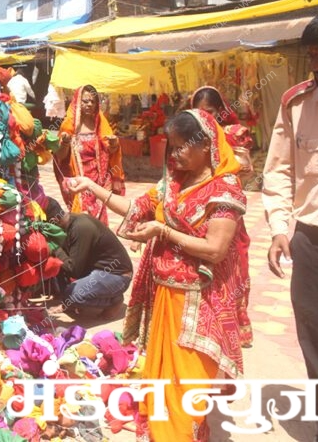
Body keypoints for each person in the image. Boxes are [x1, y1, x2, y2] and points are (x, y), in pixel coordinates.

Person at [68, 109, 247, 441]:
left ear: (205, 144)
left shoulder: (225, 189)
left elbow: (215, 249)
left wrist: (163, 232)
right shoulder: (173, 184)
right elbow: (135, 207)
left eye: (182, 147)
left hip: (198, 304)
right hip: (165, 296)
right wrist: (90, 185)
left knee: (187, 391)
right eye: (172, 147)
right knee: (163, 381)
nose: (175, 155)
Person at [263, 9, 318, 442]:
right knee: (317, 340)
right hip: (312, 241)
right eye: (314, 57)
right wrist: (279, 228)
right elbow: (279, 171)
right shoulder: (296, 102)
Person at [192, 85, 254, 348]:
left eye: (209, 112)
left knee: (233, 265)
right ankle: (207, 321)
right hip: (196, 211)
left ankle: (235, 325)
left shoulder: (234, 134)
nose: (204, 117)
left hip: (225, 210)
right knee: (201, 264)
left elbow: (247, 171)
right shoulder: (189, 136)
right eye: (197, 112)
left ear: (219, 112)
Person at [53, 85, 124, 225]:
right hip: (77, 180)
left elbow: (109, 150)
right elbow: (60, 157)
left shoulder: (100, 124)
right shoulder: (69, 126)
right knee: (82, 218)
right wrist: (66, 143)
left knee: (99, 219)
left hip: (98, 180)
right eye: (85, 101)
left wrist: (115, 145)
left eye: (93, 101)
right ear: (77, 102)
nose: (89, 104)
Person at [51, 209, 133, 319]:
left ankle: (114, 301)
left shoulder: (81, 227)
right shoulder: (70, 224)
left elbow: (74, 269)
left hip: (117, 275)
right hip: (99, 270)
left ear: (53, 220)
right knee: (58, 264)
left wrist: (55, 247)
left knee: (73, 294)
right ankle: (70, 302)